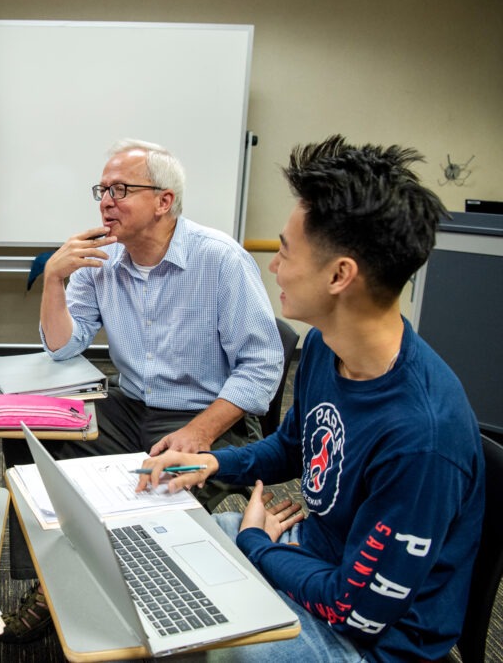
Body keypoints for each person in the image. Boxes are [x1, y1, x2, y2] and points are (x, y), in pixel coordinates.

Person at [138, 135, 484, 662]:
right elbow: (296, 447)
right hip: (310, 558)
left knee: (203, 643)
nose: (273, 266)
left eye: (285, 250)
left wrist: (259, 547)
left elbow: (356, 607)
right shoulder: (327, 344)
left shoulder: (421, 437)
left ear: (340, 275)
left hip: (367, 639)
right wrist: (213, 461)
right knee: (168, 553)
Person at [0, 138, 284, 643]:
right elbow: (65, 348)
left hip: (209, 411)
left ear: (164, 201)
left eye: (120, 189)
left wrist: (200, 431)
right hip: (130, 404)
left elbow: (262, 367)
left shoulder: (221, 260)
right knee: (30, 448)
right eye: (102, 190)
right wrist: (54, 282)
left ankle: (141, 608)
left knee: (145, 497)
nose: (106, 200)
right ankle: (50, 584)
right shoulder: (100, 260)